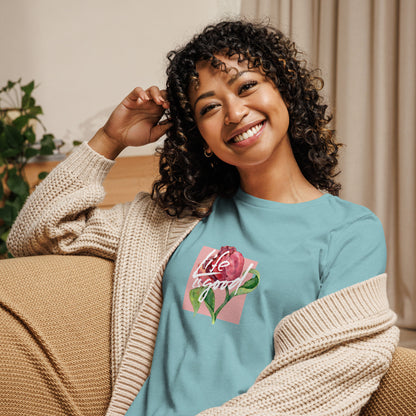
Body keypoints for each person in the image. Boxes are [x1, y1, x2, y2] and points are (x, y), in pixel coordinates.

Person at [6, 20, 398, 416]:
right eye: (209, 107)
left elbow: (326, 375)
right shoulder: (176, 220)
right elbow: (36, 235)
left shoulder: (349, 231)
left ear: (284, 90)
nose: (234, 112)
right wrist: (110, 139)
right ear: (201, 137)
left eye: (246, 87)